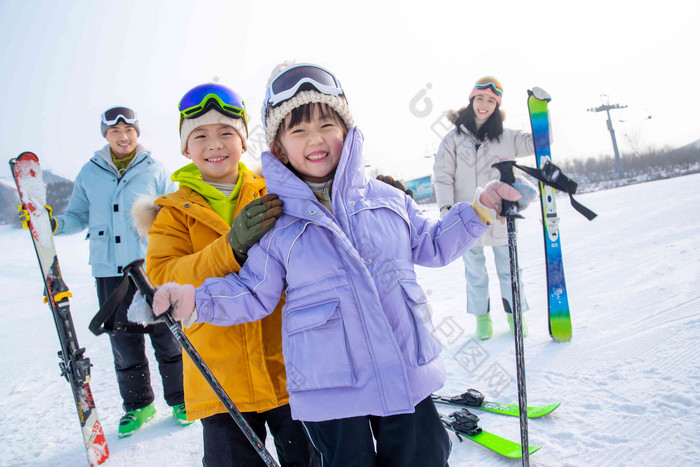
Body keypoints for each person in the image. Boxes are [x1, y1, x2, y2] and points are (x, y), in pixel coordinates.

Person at [148, 62, 527, 467]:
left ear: (347, 131)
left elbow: (433, 244)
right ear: (279, 148)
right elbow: (250, 291)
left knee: (426, 459)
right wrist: (192, 299)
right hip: (332, 395)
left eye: (327, 124)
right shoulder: (278, 224)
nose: (316, 140)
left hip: (405, 376)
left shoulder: (386, 198)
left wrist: (480, 209)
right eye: (298, 131)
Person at [134, 83, 315, 466]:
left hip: (291, 371)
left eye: (226, 133)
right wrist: (230, 247)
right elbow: (163, 276)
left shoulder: (275, 192)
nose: (214, 144)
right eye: (200, 136)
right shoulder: (172, 213)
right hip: (219, 381)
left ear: (244, 140)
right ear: (186, 149)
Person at [29, 107, 186, 437]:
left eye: (129, 130)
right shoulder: (90, 172)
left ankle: (181, 399)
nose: (123, 136)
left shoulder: (155, 169)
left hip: (151, 267)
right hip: (109, 270)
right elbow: (77, 216)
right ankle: (139, 406)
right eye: (116, 131)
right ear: (106, 135)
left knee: (166, 335)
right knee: (124, 341)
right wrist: (51, 223)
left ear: (137, 133)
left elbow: (173, 213)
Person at [432, 76, 536, 341]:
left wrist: (539, 113)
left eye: (491, 100)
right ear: (471, 99)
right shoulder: (453, 139)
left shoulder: (507, 136)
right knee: (475, 271)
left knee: (509, 268)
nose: (484, 104)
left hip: (502, 215)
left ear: (497, 105)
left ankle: (516, 316)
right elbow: (443, 175)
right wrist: (446, 208)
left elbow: (537, 142)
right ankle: (483, 318)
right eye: (480, 98)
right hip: (469, 215)